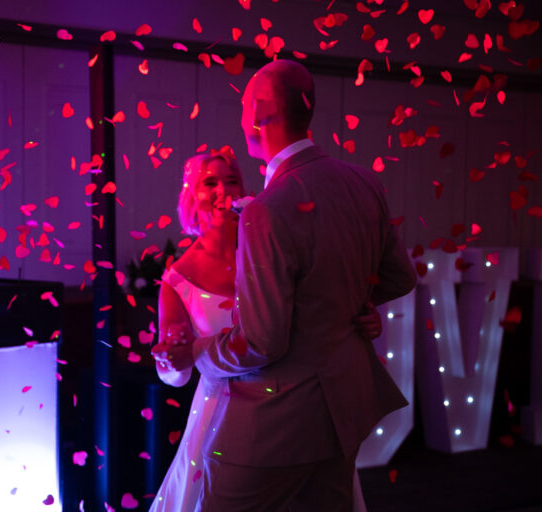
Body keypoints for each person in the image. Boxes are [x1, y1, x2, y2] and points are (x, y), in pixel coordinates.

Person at [156, 60, 417, 511]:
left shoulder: (266, 209)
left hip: (273, 418)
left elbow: (262, 342)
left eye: (242, 106)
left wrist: (196, 351)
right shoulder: (363, 182)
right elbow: (398, 276)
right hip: (343, 408)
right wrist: (353, 305)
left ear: (258, 113)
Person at [150, 147, 384, 512]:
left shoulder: (274, 246)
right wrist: (170, 359)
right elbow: (175, 372)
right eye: (209, 182)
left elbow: (319, 313)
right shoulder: (177, 279)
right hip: (224, 416)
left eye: (232, 181)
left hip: (299, 402)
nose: (222, 191)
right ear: (190, 196)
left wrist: (364, 319)